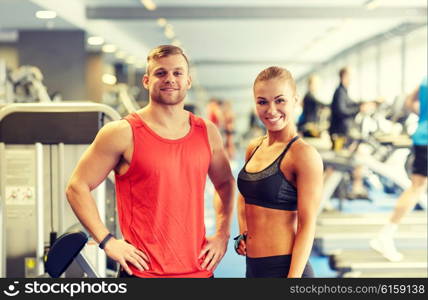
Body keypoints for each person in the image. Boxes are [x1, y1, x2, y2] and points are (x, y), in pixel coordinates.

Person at [65, 45, 235, 278]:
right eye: (161, 73)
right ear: (146, 80)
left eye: (177, 73)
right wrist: (107, 241)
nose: (170, 79)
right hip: (143, 273)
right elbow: (77, 187)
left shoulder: (207, 132)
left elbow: (225, 183)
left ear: (188, 81)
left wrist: (223, 235)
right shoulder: (122, 133)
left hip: (199, 270)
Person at [234, 66, 323, 278]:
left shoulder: (303, 155)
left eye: (280, 100)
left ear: (295, 101)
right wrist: (242, 232)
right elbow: (244, 195)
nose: (271, 110)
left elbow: (307, 225)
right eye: (262, 102)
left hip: (286, 269)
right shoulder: (254, 147)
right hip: (254, 268)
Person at [370, 76, 427, 262]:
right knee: (417, 187)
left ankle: (386, 234)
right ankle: (386, 235)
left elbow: (409, 101)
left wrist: (424, 116)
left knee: (417, 187)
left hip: (421, 135)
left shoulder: (424, 80)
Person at [328, 67, 375, 199]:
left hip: (343, 133)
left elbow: (350, 105)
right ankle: (326, 192)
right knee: (335, 163)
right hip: (339, 135)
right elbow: (341, 111)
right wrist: (358, 109)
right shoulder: (339, 92)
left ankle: (356, 187)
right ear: (344, 76)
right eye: (350, 76)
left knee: (350, 159)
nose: (351, 80)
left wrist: (361, 105)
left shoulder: (344, 92)